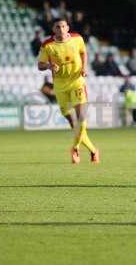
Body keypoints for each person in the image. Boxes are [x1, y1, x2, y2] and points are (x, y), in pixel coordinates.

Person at [38, 17, 99, 164]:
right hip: (59, 85)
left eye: (63, 26)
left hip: (77, 82)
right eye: (57, 27)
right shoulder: (48, 45)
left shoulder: (77, 38)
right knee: (72, 121)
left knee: (81, 118)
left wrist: (84, 68)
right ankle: (93, 150)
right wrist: (49, 66)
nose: (61, 29)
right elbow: (40, 65)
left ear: (67, 27)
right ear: (53, 29)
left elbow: (84, 53)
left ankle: (75, 148)